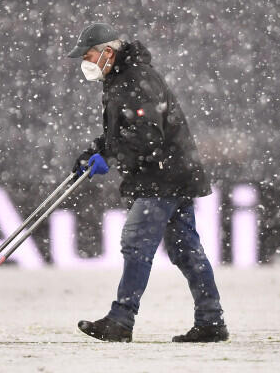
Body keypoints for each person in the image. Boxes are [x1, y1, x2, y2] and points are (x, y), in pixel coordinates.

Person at [66, 22, 228, 342]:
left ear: (108, 52)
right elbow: (123, 133)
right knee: (186, 251)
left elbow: (146, 137)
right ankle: (211, 320)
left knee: (137, 243)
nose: (85, 62)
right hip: (173, 173)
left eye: (89, 54)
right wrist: (95, 151)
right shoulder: (121, 79)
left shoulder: (135, 80)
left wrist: (110, 158)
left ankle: (121, 320)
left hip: (162, 176)